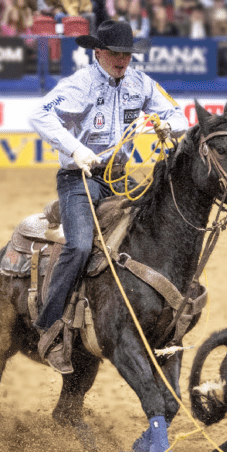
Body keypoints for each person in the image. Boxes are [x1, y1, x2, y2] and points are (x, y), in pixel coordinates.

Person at [28, 20, 189, 373]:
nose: (122, 60)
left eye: (127, 54)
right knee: (81, 246)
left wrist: (168, 125)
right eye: (116, 53)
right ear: (97, 51)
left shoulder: (140, 83)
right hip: (80, 178)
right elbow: (38, 114)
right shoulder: (80, 85)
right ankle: (50, 327)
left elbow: (178, 116)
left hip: (121, 179)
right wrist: (75, 149)